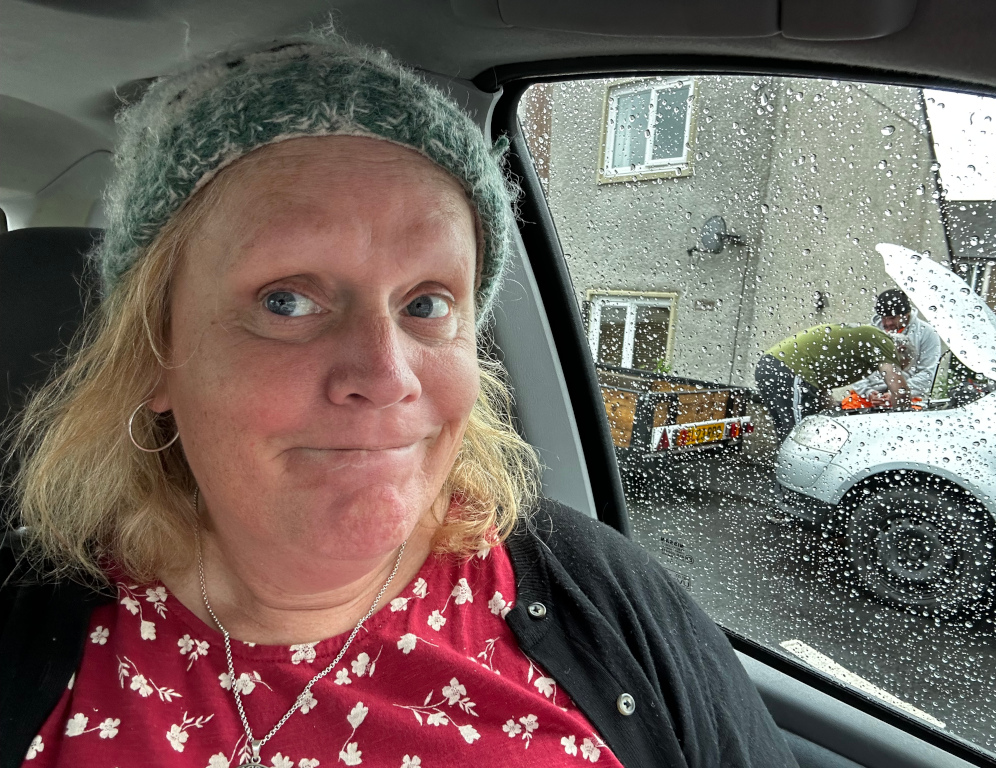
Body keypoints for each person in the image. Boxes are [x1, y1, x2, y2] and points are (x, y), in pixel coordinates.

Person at [0, 33, 796, 768]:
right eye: (286, 301)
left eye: (425, 304)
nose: (386, 374)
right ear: (155, 356)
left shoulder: (606, 597)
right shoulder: (34, 650)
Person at [755, 323, 911, 441]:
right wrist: (902, 428)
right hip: (787, 369)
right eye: (900, 365)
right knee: (799, 436)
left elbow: (821, 388)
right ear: (901, 349)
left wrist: (837, 410)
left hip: (771, 367)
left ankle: (787, 480)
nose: (897, 369)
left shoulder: (866, 344)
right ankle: (796, 481)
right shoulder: (885, 343)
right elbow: (899, 390)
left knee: (789, 435)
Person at [852, 288, 942, 405]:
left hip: (909, 395)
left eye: (893, 318)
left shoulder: (927, 333)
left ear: (907, 314)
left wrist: (898, 392)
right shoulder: (869, 333)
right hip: (868, 397)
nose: (887, 323)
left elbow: (928, 373)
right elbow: (855, 368)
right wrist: (868, 392)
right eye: (884, 318)